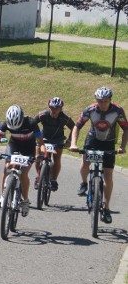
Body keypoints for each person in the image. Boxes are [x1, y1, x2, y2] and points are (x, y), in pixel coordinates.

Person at [69, 86, 128, 224]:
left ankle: (106, 208)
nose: (102, 104)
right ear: (96, 100)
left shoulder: (118, 111)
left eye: (106, 101)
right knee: (84, 163)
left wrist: (122, 147)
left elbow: (126, 128)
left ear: (110, 100)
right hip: (93, 140)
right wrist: (73, 143)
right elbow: (77, 126)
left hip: (108, 143)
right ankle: (84, 183)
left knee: (108, 175)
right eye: (100, 101)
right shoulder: (90, 109)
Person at [0, 105, 45, 215]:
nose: (14, 128)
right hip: (14, 145)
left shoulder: (31, 123)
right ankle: (3, 196)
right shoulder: (6, 124)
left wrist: (41, 154)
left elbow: (41, 143)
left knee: (24, 173)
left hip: (28, 148)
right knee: (7, 168)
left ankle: (25, 200)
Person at [31, 97, 74, 192]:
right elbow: (32, 123)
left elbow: (74, 128)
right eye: (52, 108)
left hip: (58, 140)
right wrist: (34, 136)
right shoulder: (42, 115)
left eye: (57, 108)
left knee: (56, 158)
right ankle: (39, 177)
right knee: (38, 157)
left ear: (61, 109)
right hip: (44, 138)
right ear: (49, 107)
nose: (54, 111)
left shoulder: (64, 118)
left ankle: (54, 179)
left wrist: (69, 141)